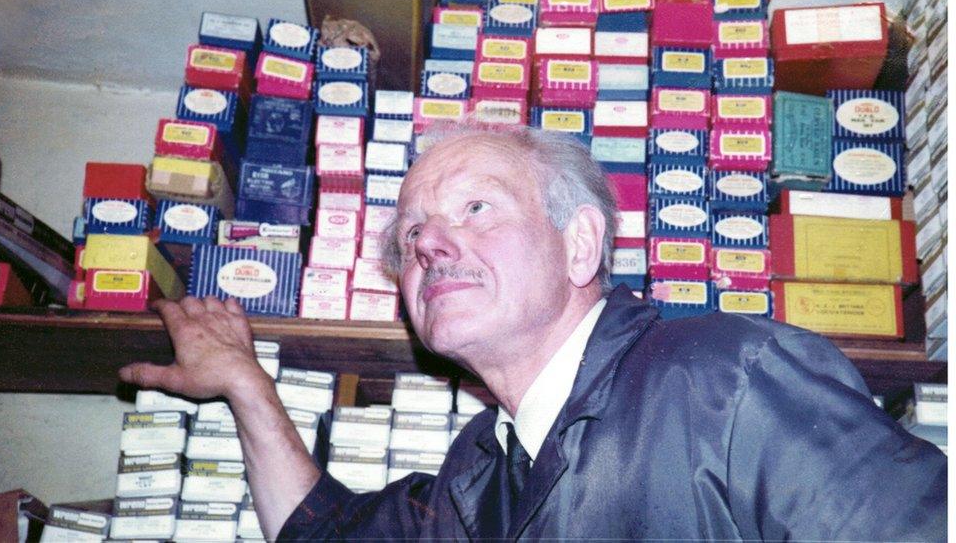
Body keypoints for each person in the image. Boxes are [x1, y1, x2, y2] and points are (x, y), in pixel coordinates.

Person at [120, 122, 947, 541]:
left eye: (476, 208)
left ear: (580, 243)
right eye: (412, 234)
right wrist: (245, 382)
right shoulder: (477, 473)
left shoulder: (724, 376)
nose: (430, 243)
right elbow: (322, 534)